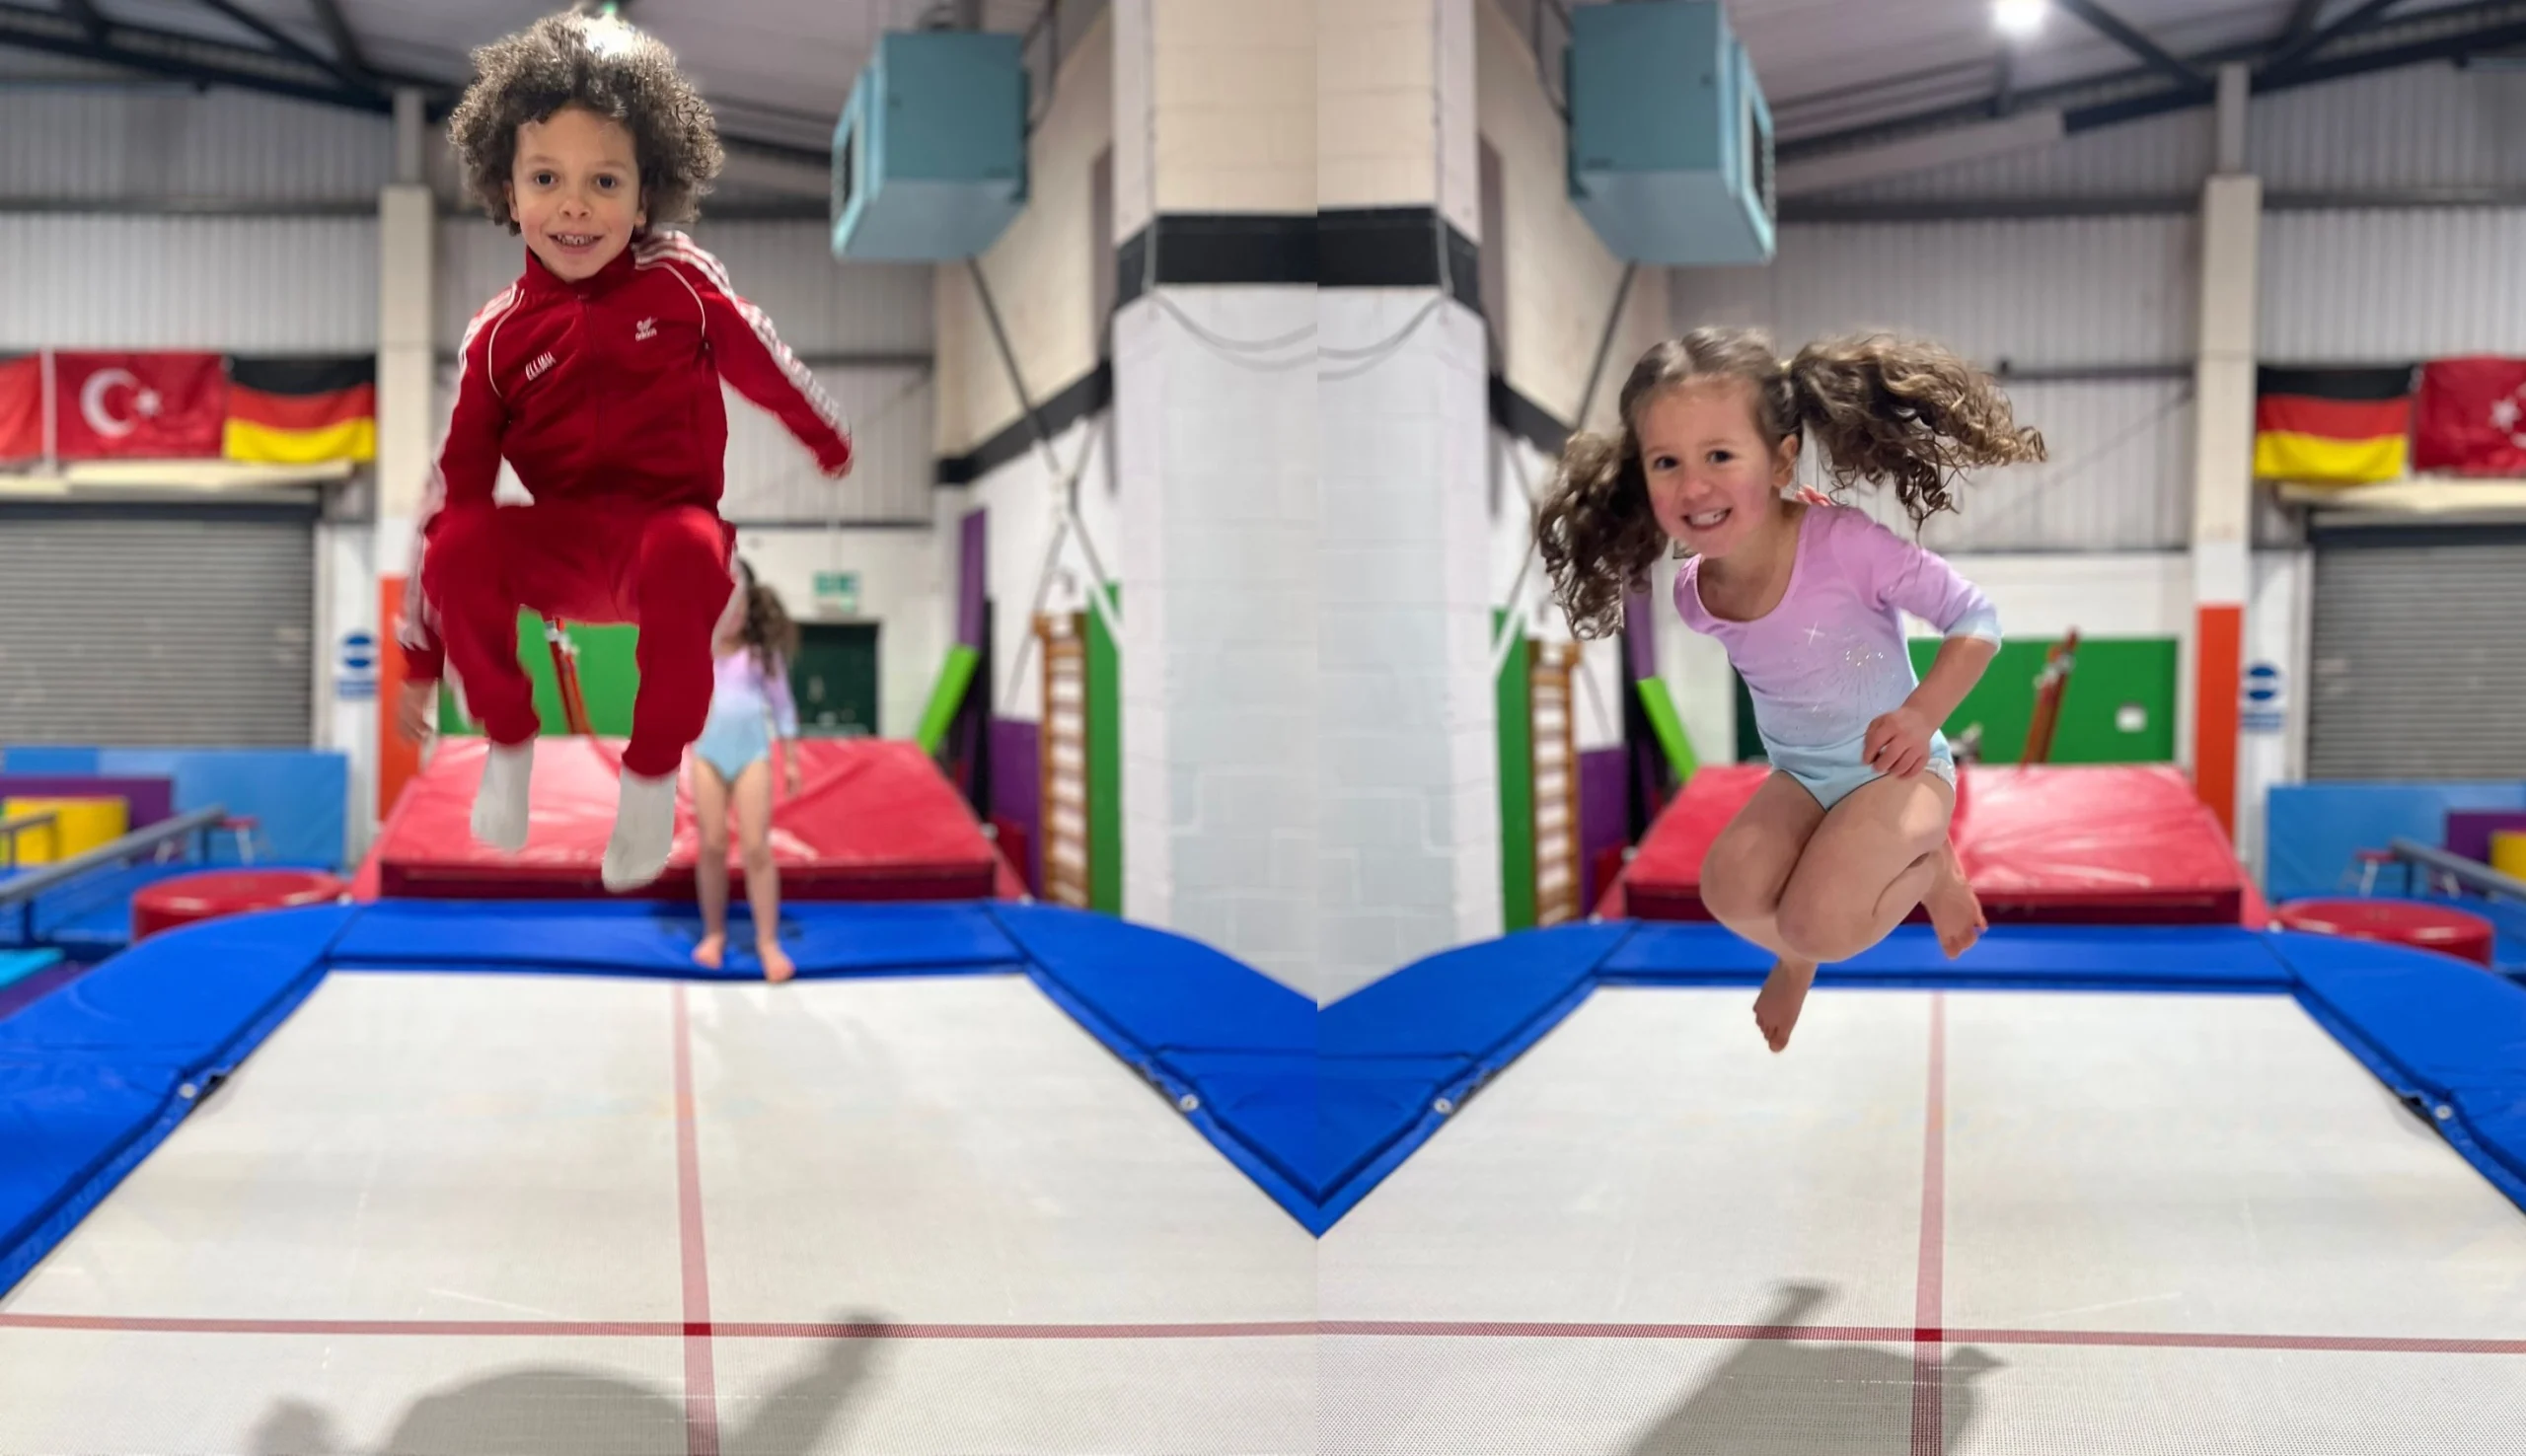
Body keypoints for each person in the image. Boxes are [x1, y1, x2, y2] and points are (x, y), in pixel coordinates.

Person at [390, 10, 853, 892]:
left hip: (662, 540)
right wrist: (421, 659)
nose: (575, 205)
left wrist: (821, 432)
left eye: (605, 181)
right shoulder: (497, 336)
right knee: (459, 538)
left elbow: (761, 357)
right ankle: (509, 743)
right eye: (546, 179)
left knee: (686, 546)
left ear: (645, 199)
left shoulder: (679, 281)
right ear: (509, 193)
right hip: (563, 548)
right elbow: (451, 490)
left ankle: (648, 783)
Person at [1537, 327, 2044, 1053]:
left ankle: (1928, 870)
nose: (1694, 486)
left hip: (1899, 770)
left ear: (1779, 460)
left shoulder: (1843, 543)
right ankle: (1802, 948)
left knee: (1818, 925)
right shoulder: (1694, 597)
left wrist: (1918, 714)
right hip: (1803, 776)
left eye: (1720, 455)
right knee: (1728, 889)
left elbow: (1977, 619)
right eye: (1667, 462)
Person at [691, 560, 804, 983]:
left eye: (739, 606)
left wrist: (790, 760)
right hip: (706, 754)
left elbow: (783, 707)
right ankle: (714, 933)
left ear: (749, 607)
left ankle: (768, 942)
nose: (732, 615)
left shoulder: (760, 655)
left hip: (752, 755)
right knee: (713, 844)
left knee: (756, 847)